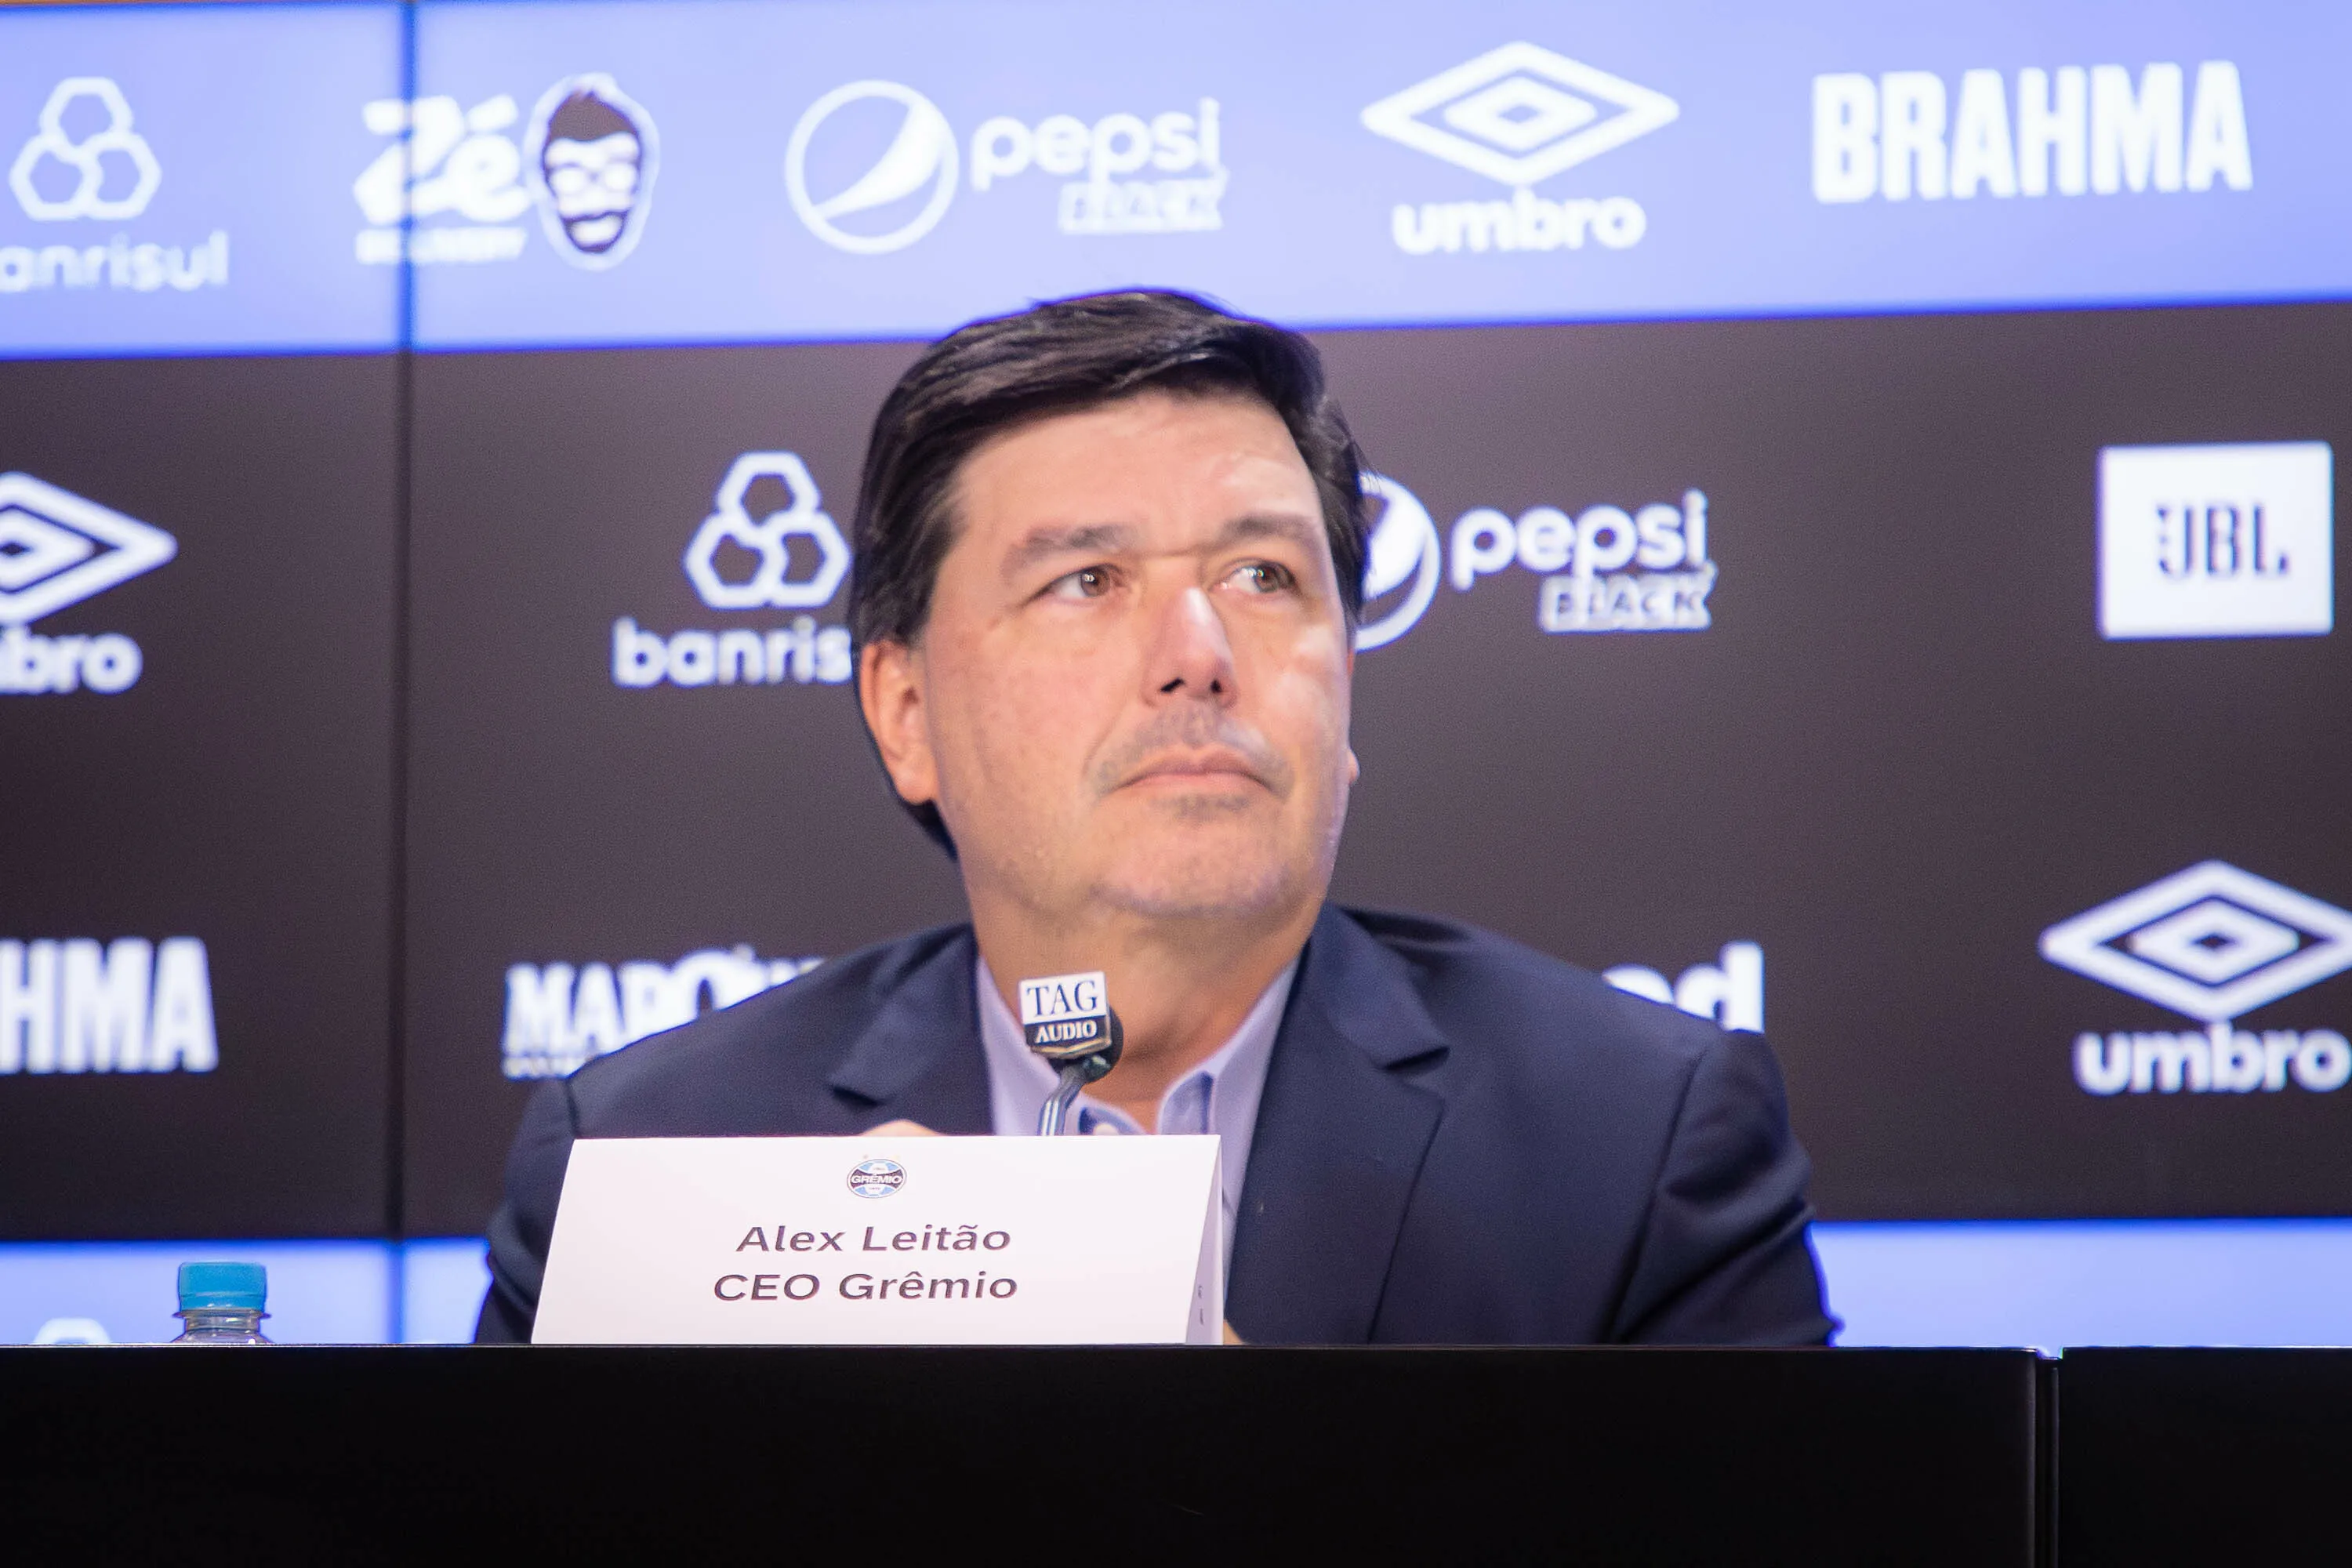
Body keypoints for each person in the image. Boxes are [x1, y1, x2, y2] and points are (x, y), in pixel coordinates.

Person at [475, 290, 1834, 1345]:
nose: (1199, 651)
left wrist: (1221, 1452)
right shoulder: (650, 1159)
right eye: (1086, 580)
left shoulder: (1636, 1145)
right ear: (904, 711)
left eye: (1262, 574)